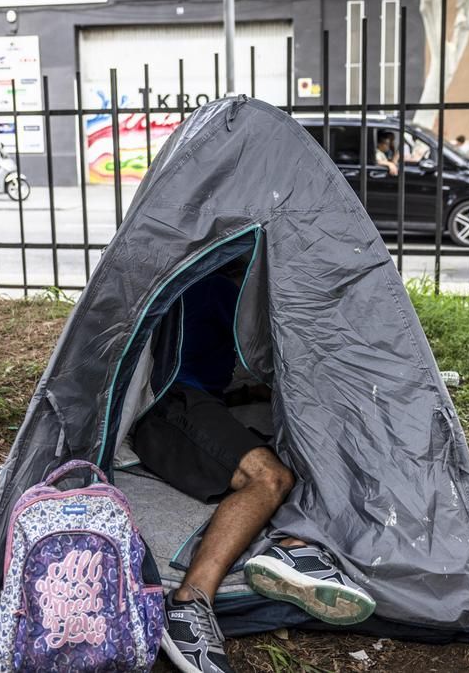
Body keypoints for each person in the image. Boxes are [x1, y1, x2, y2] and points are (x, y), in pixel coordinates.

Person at [133, 270, 375, 673]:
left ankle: (295, 549)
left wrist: (253, 394)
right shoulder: (214, 283)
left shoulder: (232, 283)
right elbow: (257, 354)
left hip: (200, 399)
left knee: (309, 452)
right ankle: (187, 606)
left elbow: (218, 367)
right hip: (169, 407)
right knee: (270, 477)